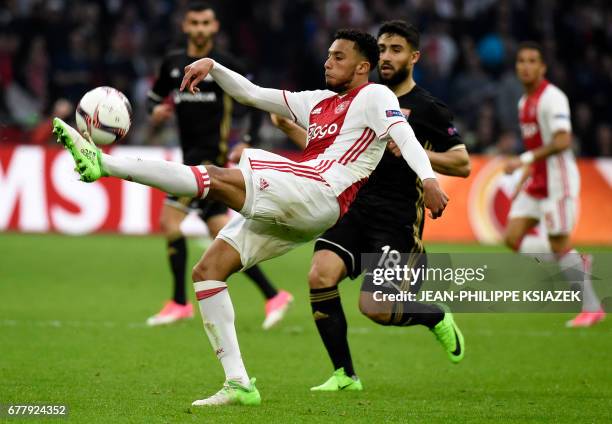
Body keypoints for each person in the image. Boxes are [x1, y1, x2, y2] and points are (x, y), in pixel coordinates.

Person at [53, 28, 449, 406]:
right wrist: (213, 65)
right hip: (300, 204)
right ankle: (238, 383)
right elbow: (253, 94)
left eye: (339, 57)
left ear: (363, 66)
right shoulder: (316, 102)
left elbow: (406, 137)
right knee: (208, 271)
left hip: (321, 190)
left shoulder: (376, 95)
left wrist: (428, 179)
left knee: (216, 177)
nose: (328, 62)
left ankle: (104, 164)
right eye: (328, 55)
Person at [271, 21, 470, 391]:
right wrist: (289, 129)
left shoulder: (426, 107)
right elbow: (329, 156)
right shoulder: (357, 99)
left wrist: (421, 155)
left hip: (395, 220)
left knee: (376, 308)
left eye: (396, 49)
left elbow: (463, 163)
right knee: (319, 275)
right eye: (381, 49)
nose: (387, 56)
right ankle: (344, 375)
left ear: (414, 57)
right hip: (353, 208)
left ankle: (433, 317)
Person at [145, 1, 292, 329]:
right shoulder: (172, 64)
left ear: (214, 28)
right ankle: (274, 294)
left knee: (170, 223)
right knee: (221, 236)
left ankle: (179, 303)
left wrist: (250, 138)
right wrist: (155, 116)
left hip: (211, 164)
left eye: (205, 23)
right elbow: (152, 102)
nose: (199, 28)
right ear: (185, 26)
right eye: (194, 22)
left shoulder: (224, 65)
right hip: (188, 160)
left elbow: (255, 101)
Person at [503, 41, 605, 327]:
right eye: (521, 60)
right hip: (536, 180)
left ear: (543, 67)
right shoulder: (524, 103)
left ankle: (592, 308)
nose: (526, 66)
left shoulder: (553, 98)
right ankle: (575, 259)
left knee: (558, 243)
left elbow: (562, 141)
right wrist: (524, 175)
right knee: (512, 237)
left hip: (558, 181)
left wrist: (522, 160)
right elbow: (536, 144)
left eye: (532, 61)